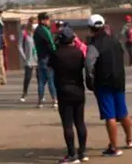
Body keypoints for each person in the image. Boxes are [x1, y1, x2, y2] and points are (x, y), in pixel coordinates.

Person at [85, 14, 132, 157]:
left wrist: (90, 81)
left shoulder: (94, 45)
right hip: (119, 80)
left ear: (90, 28)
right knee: (123, 111)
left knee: (110, 115)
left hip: (104, 83)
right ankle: (130, 140)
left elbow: (89, 65)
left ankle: (114, 147)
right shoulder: (114, 41)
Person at [50, 26, 88, 163]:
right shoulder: (78, 53)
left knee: (67, 124)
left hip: (63, 90)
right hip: (78, 89)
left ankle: (72, 154)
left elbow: (50, 66)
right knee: (80, 122)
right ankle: (82, 152)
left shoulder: (56, 54)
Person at [34, 12, 58, 108]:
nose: (49, 22)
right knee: (51, 80)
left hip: (40, 58)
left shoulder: (36, 31)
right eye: (48, 20)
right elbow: (51, 44)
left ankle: (40, 102)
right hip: (47, 58)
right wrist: (55, 54)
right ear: (43, 20)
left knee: (41, 81)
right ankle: (55, 100)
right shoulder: (45, 31)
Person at [18, 17, 38, 103]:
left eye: (35, 23)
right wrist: (24, 57)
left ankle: (40, 95)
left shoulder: (38, 33)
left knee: (40, 78)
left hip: (37, 58)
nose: (34, 25)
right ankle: (24, 93)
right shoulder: (24, 33)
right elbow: (19, 46)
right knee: (27, 77)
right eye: (33, 23)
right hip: (29, 59)